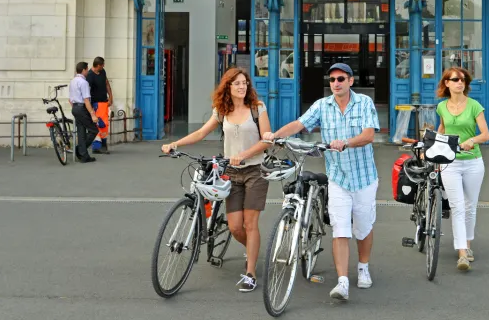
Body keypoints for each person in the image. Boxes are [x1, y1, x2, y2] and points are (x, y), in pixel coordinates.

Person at [263, 62, 378, 302]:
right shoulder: (322, 106)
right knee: (340, 228)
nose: (335, 83)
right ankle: (342, 281)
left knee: (363, 227)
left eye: (341, 79)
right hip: (337, 177)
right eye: (332, 79)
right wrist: (277, 135)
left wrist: (345, 142)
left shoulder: (364, 103)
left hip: (364, 177)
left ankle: (363, 267)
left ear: (350, 81)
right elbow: (299, 124)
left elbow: (368, 135)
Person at [161, 68, 271, 293]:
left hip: (255, 171)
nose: (242, 87)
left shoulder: (257, 108)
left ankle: (250, 273)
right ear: (228, 87)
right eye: (237, 84)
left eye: (244, 83)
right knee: (234, 227)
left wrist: (245, 155)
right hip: (231, 172)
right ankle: (252, 249)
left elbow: (267, 141)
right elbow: (201, 133)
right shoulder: (222, 111)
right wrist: (175, 144)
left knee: (250, 224)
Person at [435, 66, 489, 272]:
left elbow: (486, 134)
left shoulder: (474, 106)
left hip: (473, 161)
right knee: (457, 206)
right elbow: (442, 129)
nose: (460, 82)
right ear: (447, 83)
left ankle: (467, 243)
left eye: (463, 80)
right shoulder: (442, 107)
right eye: (455, 79)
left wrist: (471, 140)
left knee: (470, 205)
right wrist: (431, 146)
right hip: (450, 162)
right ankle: (462, 253)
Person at [69, 61, 100, 163]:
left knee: (81, 132)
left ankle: (84, 156)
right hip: (82, 108)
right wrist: (92, 114)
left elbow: (70, 99)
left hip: (75, 108)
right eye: (87, 69)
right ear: (83, 70)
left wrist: (76, 108)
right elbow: (86, 99)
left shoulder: (73, 81)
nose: (87, 71)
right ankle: (80, 149)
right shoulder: (83, 82)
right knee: (94, 130)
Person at [86, 57, 113, 154]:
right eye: (102, 65)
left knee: (105, 124)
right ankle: (98, 146)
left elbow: (106, 83)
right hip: (96, 103)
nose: (103, 66)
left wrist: (110, 96)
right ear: (98, 65)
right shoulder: (90, 76)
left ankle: (102, 145)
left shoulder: (102, 72)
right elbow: (87, 91)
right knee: (100, 125)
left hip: (104, 102)